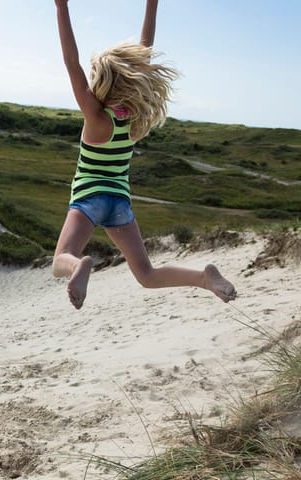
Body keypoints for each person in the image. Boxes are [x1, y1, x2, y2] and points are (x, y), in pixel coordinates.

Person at [52, 0, 237, 310]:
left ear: (102, 81)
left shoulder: (95, 117)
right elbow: (144, 54)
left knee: (61, 258)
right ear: (135, 79)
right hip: (119, 204)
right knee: (147, 274)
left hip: (89, 199)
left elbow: (72, 63)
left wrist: (61, 8)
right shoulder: (135, 121)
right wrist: (152, 6)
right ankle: (204, 278)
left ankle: (78, 266)